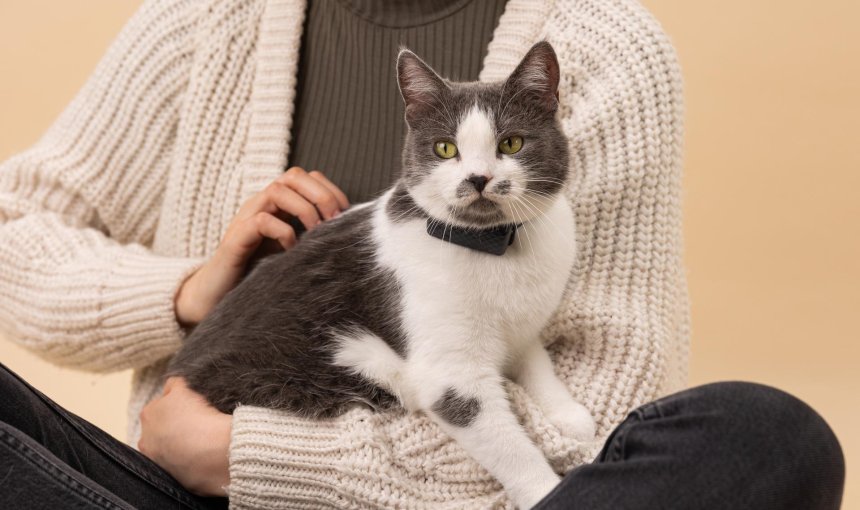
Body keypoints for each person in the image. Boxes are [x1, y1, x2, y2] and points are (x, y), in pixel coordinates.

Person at [0, 0, 844, 509]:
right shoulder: (208, 19)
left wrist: (252, 458)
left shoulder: (604, 46)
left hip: (473, 500)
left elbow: (593, 416)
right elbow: (13, 229)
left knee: (769, 438)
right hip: (180, 497)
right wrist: (189, 290)